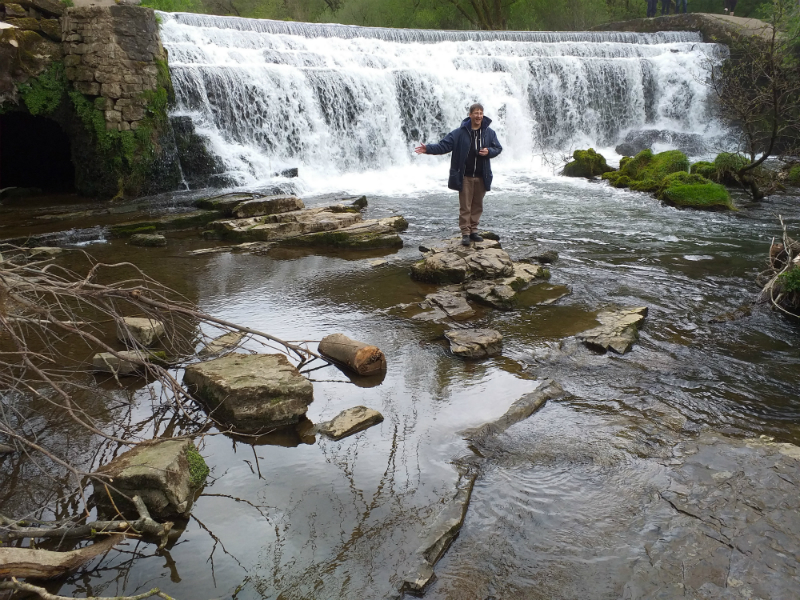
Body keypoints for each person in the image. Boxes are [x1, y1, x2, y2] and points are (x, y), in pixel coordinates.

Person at [415, 104, 503, 246]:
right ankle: (465, 233)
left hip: (482, 175)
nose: (478, 116)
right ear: (470, 115)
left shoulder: (489, 133)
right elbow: (444, 146)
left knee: (477, 205)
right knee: (465, 206)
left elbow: (498, 148)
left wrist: (489, 152)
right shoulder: (459, 133)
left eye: (481, 113)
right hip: (465, 176)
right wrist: (428, 149)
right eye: (476, 113)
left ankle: (474, 231)